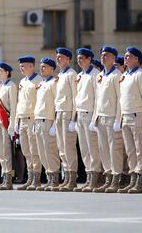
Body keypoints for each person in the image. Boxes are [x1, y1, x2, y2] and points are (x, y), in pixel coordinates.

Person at [118, 47, 142, 194]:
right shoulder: (124, 75)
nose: (126, 58)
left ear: (136, 59)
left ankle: (141, 179)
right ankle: (133, 177)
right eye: (125, 56)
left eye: (129, 56)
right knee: (130, 150)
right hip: (126, 115)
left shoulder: (140, 74)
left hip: (137, 115)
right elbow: (121, 100)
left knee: (140, 149)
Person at [93, 46, 125, 193]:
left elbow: (120, 99)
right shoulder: (100, 75)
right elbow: (97, 100)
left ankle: (116, 178)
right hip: (101, 116)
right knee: (103, 150)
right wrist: (95, 118)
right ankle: (108, 176)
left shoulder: (117, 75)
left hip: (112, 117)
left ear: (113, 58)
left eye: (106, 55)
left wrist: (118, 119)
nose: (103, 57)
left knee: (114, 149)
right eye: (102, 55)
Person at [73, 48, 103, 193]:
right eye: (78, 58)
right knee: (84, 149)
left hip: (90, 113)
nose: (80, 60)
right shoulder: (80, 75)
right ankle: (88, 176)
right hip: (80, 114)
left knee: (93, 148)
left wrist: (95, 117)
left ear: (90, 59)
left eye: (82, 58)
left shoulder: (95, 75)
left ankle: (95, 178)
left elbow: (98, 98)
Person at [15, 56, 43, 191]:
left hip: (32, 118)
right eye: (20, 66)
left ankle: (36, 178)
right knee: (26, 150)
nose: (21, 68)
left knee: (34, 150)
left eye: (23, 65)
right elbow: (20, 102)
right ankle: (30, 177)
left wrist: (36, 120)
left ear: (31, 66)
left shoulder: (38, 81)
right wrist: (16, 121)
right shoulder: (22, 81)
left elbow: (40, 102)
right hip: (22, 118)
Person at [54, 48, 79, 191]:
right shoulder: (60, 74)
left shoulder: (71, 74)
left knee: (69, 147)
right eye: (57, 57)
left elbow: (75, 97)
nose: (58, 59)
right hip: (59, 112)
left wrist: (73, 119)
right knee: (61, 147)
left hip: (68, 113)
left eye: (61, 57)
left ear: (68, 59)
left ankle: (72, 178)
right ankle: (67, 176)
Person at [34, 58, 60, 191]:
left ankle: (54, 177)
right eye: (41, 66)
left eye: (44, 67)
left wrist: (55, 123)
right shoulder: (41, 83)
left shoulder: (54, 83)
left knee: (50, 150)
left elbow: (57, 103)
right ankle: (49, 176)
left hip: (48, 119)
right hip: (38, 119)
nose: (42, 69)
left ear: (51, 69)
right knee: (41, 151)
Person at [0, 62, 17, 190]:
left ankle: (8, 179)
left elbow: (13, 107)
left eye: (0, 70)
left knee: (6, 152)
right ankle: (3, 177)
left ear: (7, 72)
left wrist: (12, 124)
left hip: (5, 123)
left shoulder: (11, 86)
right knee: (0, 152)